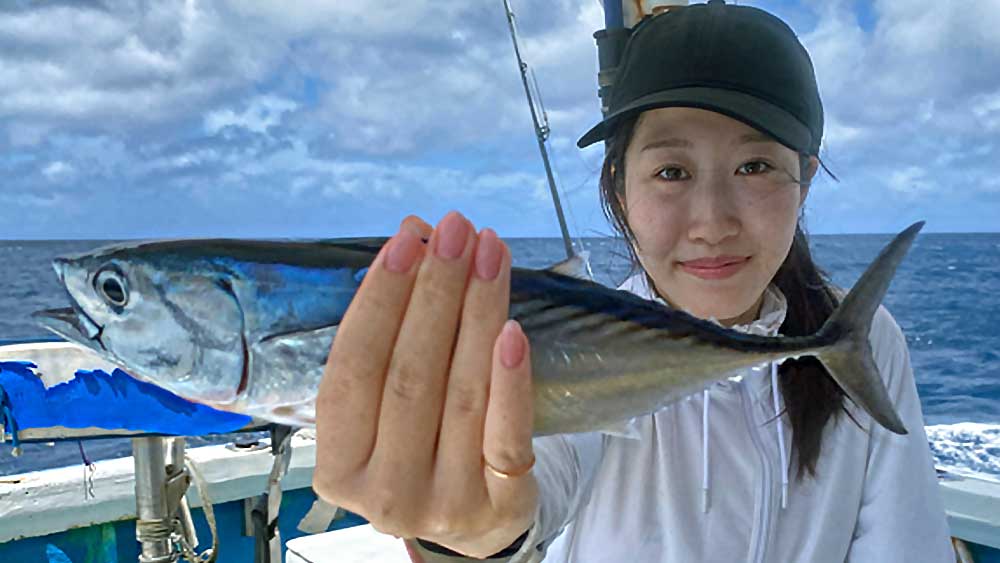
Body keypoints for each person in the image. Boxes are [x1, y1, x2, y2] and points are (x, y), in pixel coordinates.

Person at [312, 2, 954, 561]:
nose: (712, 222)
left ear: (804, 176)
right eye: (672, 172)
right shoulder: (567, 340)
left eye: (755, 166)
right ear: (619, 186)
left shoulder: (861, 335)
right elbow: (534, 494)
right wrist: (471, 533)